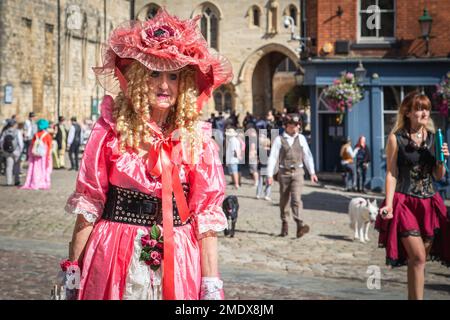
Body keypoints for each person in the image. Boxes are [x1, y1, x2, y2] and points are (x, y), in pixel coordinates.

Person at [62, 9, 233, 300]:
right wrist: (73, 272)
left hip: (177, 259)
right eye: (154, 73)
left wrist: (211, 285)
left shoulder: (198, 139)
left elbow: (205, 219)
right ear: (140, 77)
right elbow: (89, 205)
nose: (164, 85)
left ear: (185, 84)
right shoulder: (109, 130)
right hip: (113, 253)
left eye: (174, 76)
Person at [376, 91, 450, 300]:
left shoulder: (435, 138)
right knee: (417, 256)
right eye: (418, 108)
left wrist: (442, 159)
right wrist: (389, 204)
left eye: (426, 108)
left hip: (429, 202)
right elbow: (391, 173)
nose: (424, 112)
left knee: (418, 261)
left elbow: (438, 175)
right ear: (407, 112)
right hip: (405, 201)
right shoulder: (396, 139)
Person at [267, 115, 318, 238]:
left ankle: (299, 224)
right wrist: (269, 175)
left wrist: (312, 172)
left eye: (297, 125)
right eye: (292, 126)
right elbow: (273, 157)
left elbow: (307, 155)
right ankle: (285, 223)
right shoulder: (279, 139)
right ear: (286, 126)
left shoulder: (301, 138)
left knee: (296, 198)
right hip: (284, 172)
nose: (295, 128)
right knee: (284, 199)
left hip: (298, 172)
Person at [20, 119, 53, 190]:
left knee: (35, 169)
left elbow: (31, 146)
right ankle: (43, 182)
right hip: (44, 156)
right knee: (44, 169)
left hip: (35, 156)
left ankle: (35, 182)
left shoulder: (36, 135)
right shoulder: (48, 136)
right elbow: (49, 147)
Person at [0, 119, 23, 186]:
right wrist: (20, 151)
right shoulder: (17, 131)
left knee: (8, 167)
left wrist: (3, 150)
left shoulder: (5, 132)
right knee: (16, 166)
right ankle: (17, 180)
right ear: (14, 125)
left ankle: (8, 181)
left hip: (7, 152)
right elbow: (20, 142)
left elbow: (1, 142)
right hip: (16, 151)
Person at [256, 133, 272, 201]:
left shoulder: (260, 150)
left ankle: (258, 194)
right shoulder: (270, 151)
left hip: (261, 167)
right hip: (268, 168)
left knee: (260, 181)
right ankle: (267, 195)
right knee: (268, 182)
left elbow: (258, 159)